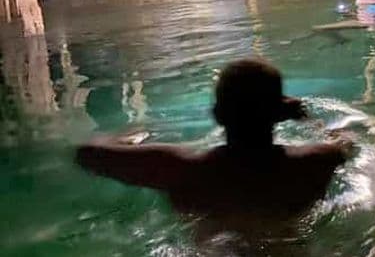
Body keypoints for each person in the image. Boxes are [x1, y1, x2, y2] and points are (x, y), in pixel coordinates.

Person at [76, 58, 350, 224]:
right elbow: (348, 142)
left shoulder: (181, 169)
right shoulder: (317, 161)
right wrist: (307, 118)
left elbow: (88, 153)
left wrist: (135, 132)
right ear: (278, 114)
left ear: (218, 115)